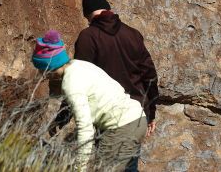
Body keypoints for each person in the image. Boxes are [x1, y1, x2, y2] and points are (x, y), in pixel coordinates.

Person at [33, 30, 148, 172]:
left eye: (40, 69)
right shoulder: (79, 65)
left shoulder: (70, 83)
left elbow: (85, 129)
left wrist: (79, 168)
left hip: (121, 128)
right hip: (137, 119)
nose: (41, 75)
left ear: (48, 67)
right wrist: (60, 120)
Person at [74, 0, 159, 138]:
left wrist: (62, 117)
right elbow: (150, 76)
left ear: (87, 14)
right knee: (129, 160)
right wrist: (151, 113)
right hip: (137, 113)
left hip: (109, 115)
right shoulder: (133, 34)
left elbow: (78, 81)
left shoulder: (87, 38)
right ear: (107, 8)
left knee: (109, 161)